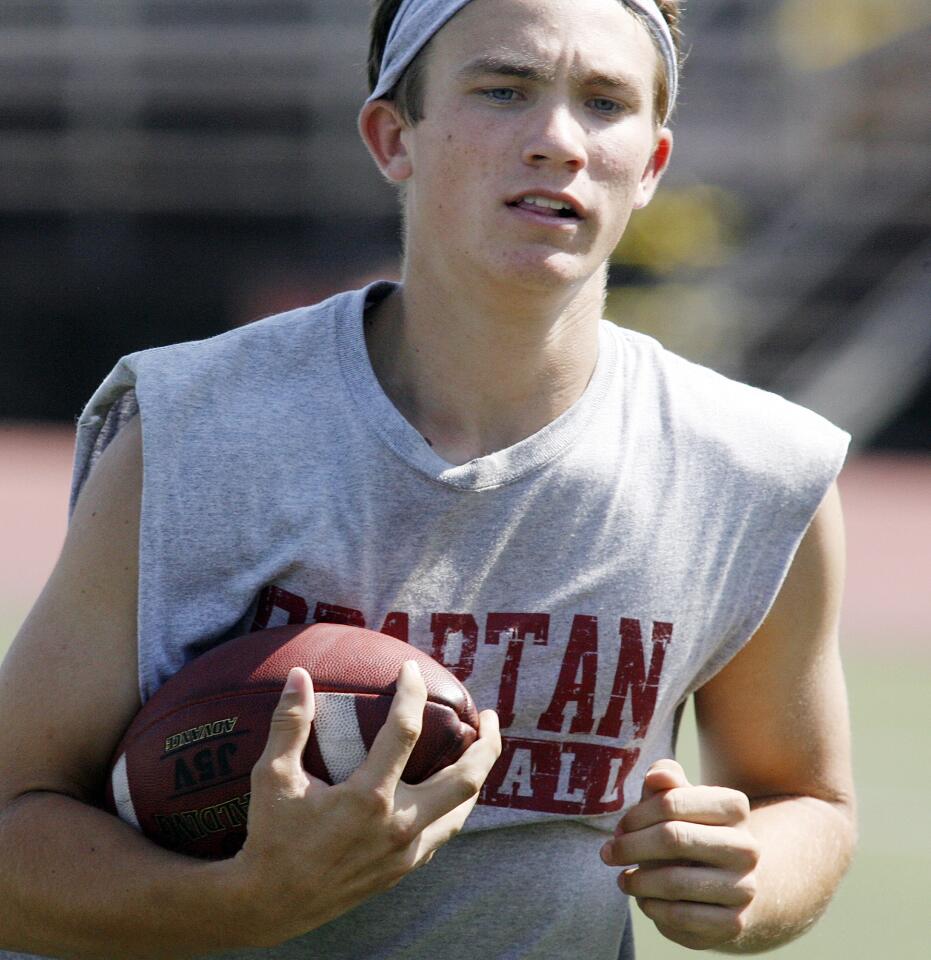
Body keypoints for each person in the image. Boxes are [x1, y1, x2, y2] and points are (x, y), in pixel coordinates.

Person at [0, 0, 856, 957]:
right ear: (390, 136)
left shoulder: (755, 468)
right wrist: (240, 902)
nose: (558, 141)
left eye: (605, 102)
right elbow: (15, 821)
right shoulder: (195, 426)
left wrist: (751, 872)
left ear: (651, 164)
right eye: (504, 90)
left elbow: (806, 801)